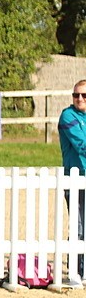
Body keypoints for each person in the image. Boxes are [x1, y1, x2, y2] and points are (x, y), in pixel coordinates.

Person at [58, 80, 86, 287]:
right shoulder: (68, 116)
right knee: (78, 227)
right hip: (76, 179)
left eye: (84, 95)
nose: (79, 99)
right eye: (76, 95)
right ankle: (76, 272)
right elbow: (81, 144)